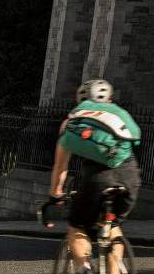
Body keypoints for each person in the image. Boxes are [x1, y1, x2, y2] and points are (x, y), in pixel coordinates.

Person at [47, 79, 142, 274]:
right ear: (110, 99)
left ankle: (84, 268)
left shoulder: (73, 121)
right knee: (113, 225)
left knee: (77, 226)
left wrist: (55, 193)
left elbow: (60, 166)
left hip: (97, 178)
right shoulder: (119, 114)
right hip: (129, 175)